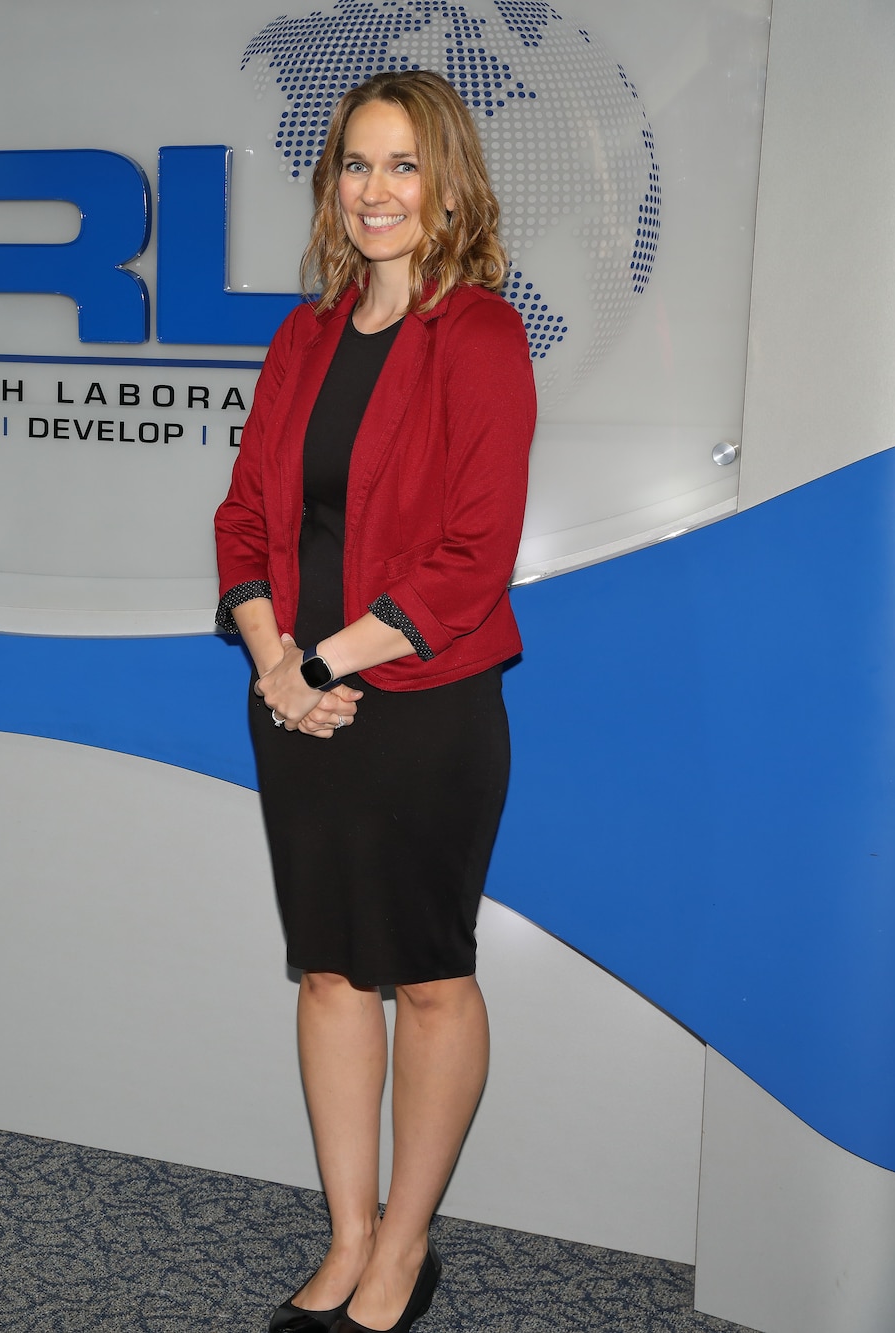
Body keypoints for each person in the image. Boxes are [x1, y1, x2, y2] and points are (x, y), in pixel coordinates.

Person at [211, 71, 535, 1333]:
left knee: (429, 978)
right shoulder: (301, 338)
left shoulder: (480, 335)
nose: (374, 191)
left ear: (445, 181)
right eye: (354, 164)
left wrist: (322, 666)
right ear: (328, 182)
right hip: (293, 696)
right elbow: (242, 515)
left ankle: (405, 1249)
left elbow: (470, 555)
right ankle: (345, 1240)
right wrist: (271, 665)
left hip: (421, 705)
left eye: (402, 166)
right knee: (330, 976)